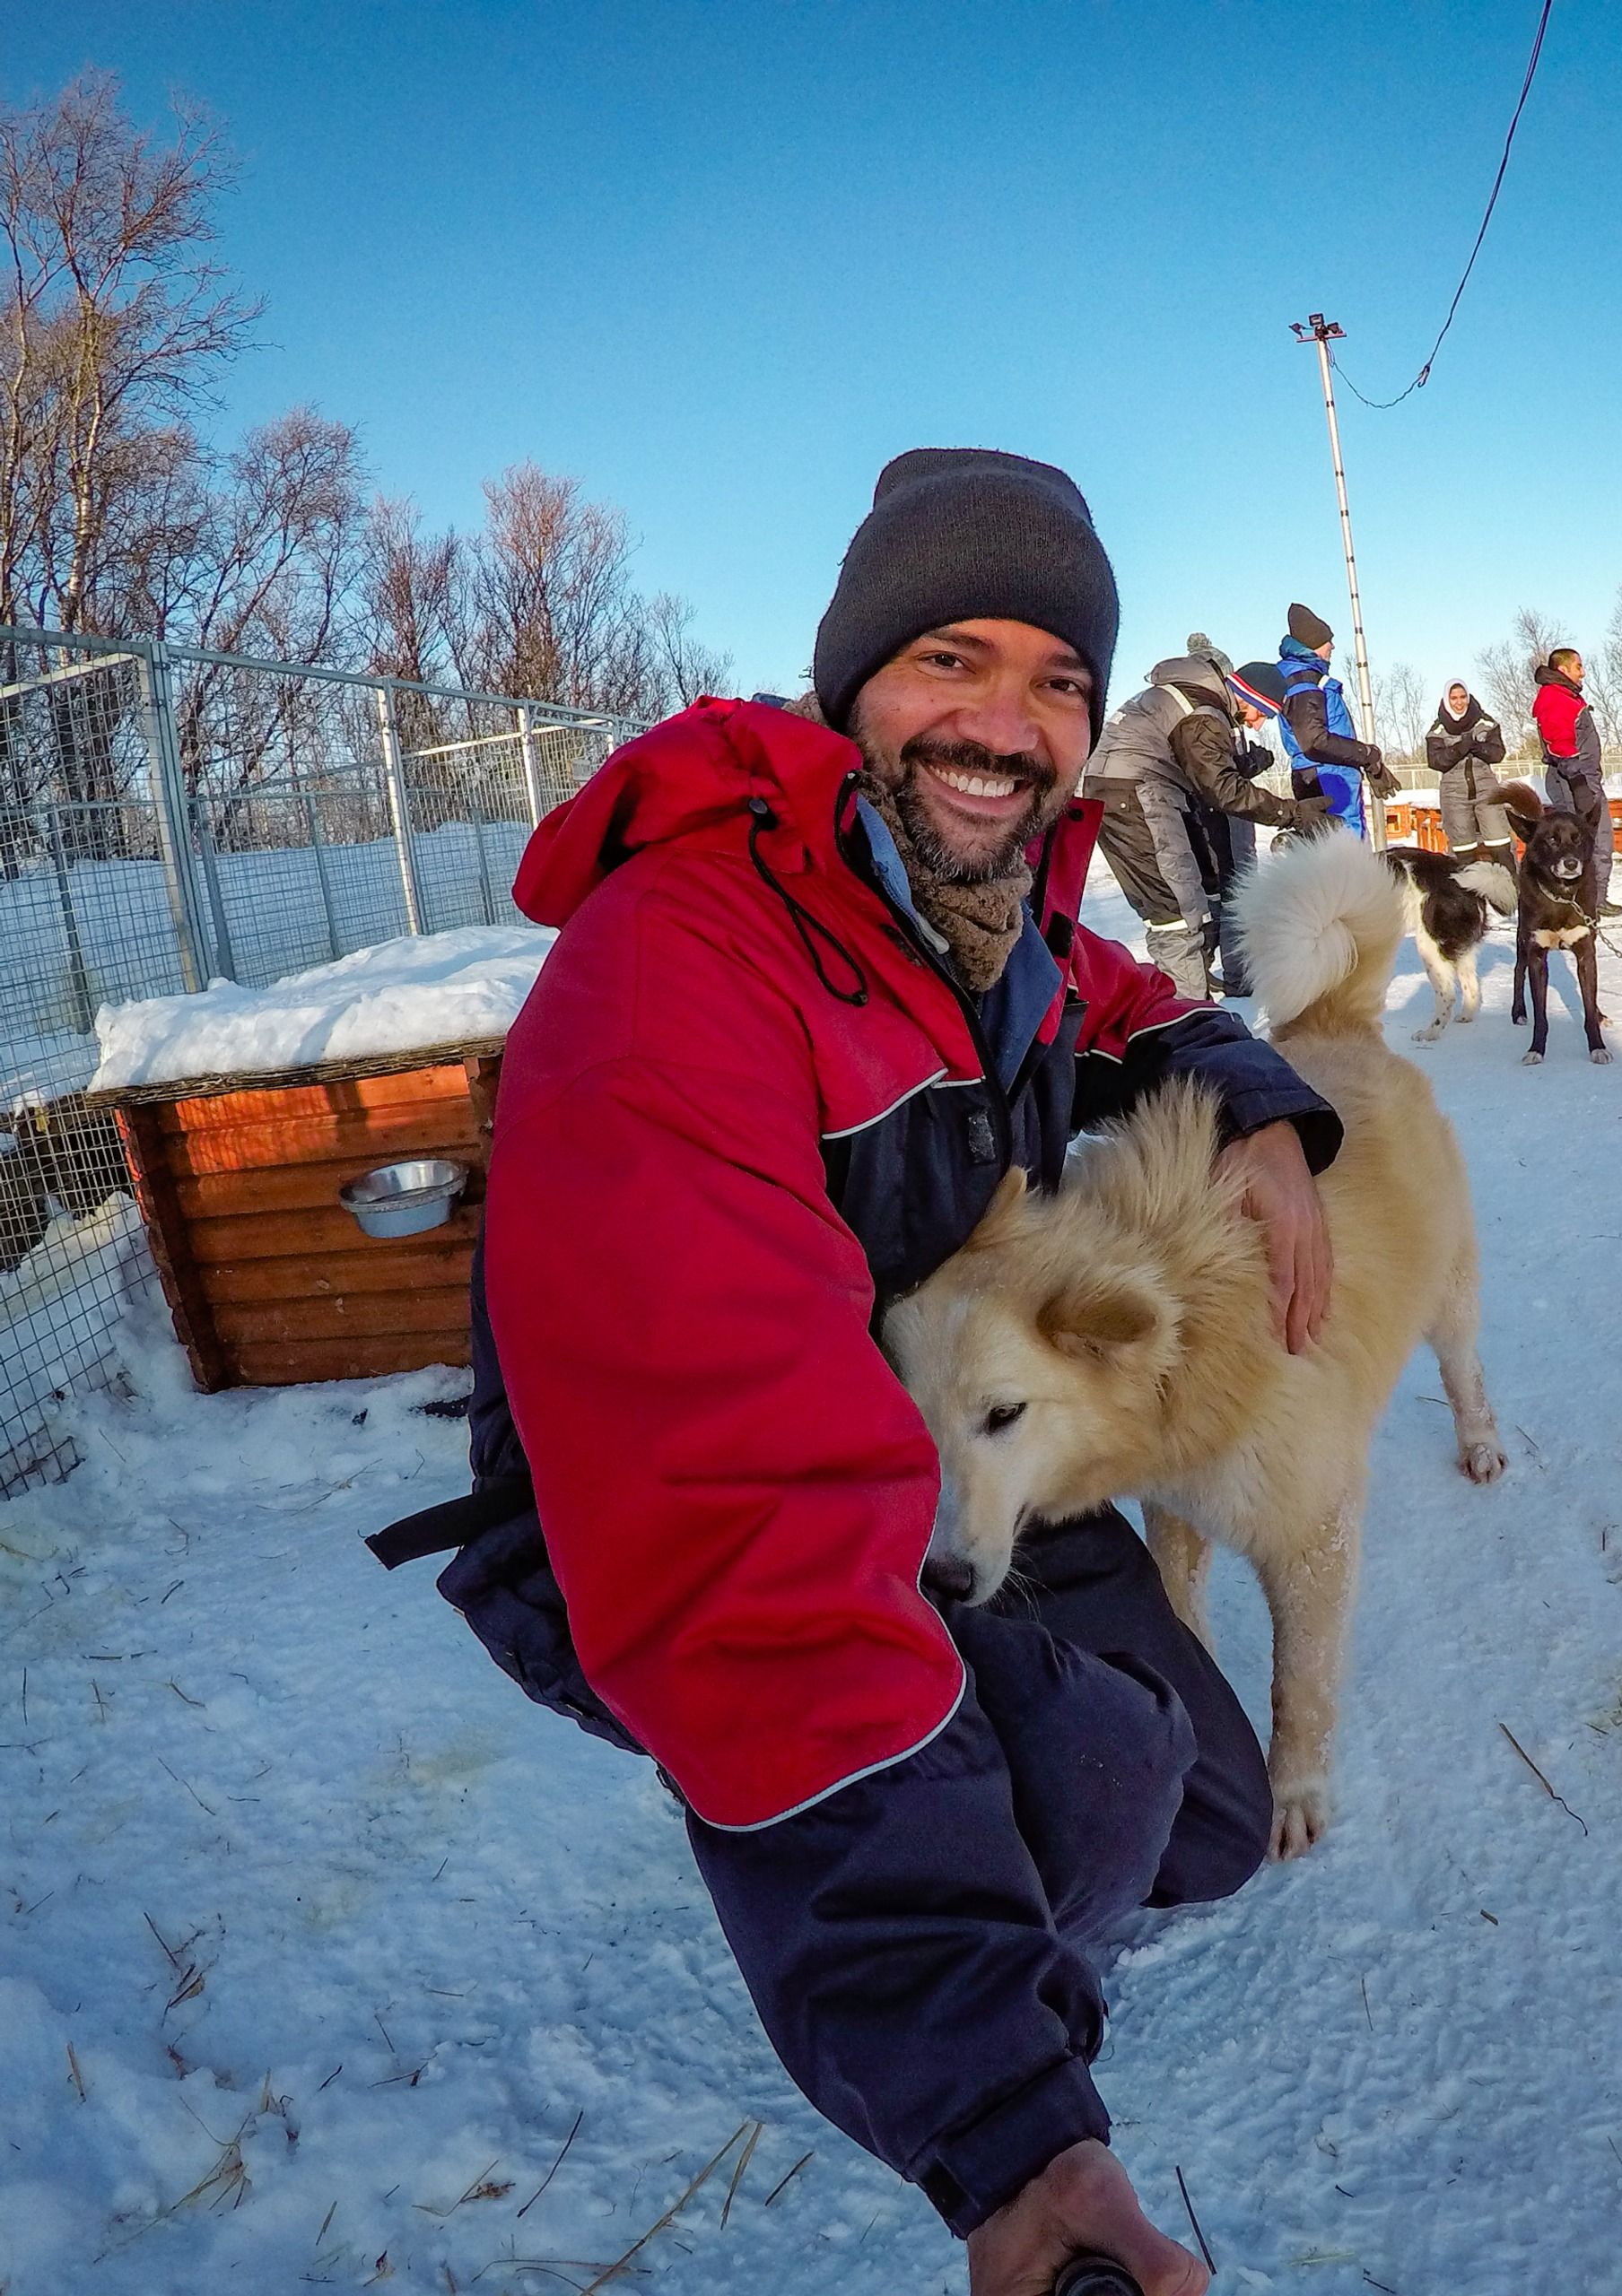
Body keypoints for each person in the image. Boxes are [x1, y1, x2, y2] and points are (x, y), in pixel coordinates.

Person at [457, 449, 1345, 2295]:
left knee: (1214, 1825)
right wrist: (1010, 2131)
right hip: (686, 1533)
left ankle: (980, 1833)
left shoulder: (992, 912)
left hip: (948, 1451)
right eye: (951, 658)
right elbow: (736, 1527)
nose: (1002, 725)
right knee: (1099, 1776)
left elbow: (1115, 997)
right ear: (850, 680)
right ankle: (956, 1974)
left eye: (1052, 680)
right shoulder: (681, 966)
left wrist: (1248, 1093)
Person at [1082, 634, 1333, 997]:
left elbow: (1206, 775)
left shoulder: (1200, 702)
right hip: (1133, 796)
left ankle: (1190, 999)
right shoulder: (1203, 713)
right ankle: (1187, 1026)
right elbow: (1221, 789)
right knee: (1177, 916)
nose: (1257, 725)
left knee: (1203, 898)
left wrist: (1245, 765)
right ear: (1248, 696)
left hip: (1144, 791)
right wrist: (1291, 813)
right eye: (1261, 714)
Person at [1273, 603, 1400, 838]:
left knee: (1333, 849)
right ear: (1311, 644)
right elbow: (1315, 741)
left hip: (1327, 774)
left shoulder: (1304, 678)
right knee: (1345, 849)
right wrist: (1367, 755)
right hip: (1328, 778)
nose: (1332, 645)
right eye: (1327, 640)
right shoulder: (1304, 683)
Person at [1532, 647, 1619, 916]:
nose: (1583, 672)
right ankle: (1588, 900)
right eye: (1579, 666)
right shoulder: (1557, 698)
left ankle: (1591, 897)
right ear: (1563, 670)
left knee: (1590, 841)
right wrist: (1579, 781)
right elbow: (1559, 742)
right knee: (1593, 841)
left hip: (1582, 777)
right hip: (1574, 780)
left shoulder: (1566, 697)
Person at [1426, 680, 1512, 867]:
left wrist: (1478, 747)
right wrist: (1458, 749)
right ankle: (1464, 894)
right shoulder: (1438, 730)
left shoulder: (1486, 723)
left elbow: (1498, 753)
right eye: (1454, 698)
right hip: (1454, 794)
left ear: (1469, 697)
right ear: (1447, 700)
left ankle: (1512, 889)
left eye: (1463, 697)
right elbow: (1436, 761)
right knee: (1462, 850)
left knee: (1500, 845)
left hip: (1486, 790)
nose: (1459, 702)